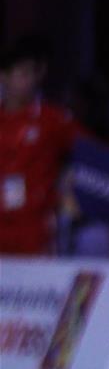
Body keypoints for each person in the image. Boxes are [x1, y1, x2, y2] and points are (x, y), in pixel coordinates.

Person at [0, 36, 82, 254]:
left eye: (32, 74)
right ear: (5, 77)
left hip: (36, 226)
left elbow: (89, 150)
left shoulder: (51, 119)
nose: (29, 81)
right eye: (22, 74)